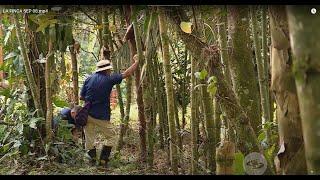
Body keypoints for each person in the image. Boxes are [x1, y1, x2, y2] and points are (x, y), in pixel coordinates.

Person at [80, 54, 140, 168]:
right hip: (101, 114)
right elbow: (126, 74)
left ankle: (92, 161)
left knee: (89, 139)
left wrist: (93, 97)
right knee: (112, 136)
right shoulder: (109, 79)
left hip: (87, 114)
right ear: (107, 70)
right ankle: (103, 161)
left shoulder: (88, 79)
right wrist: (137, 62)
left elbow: (81, 97)